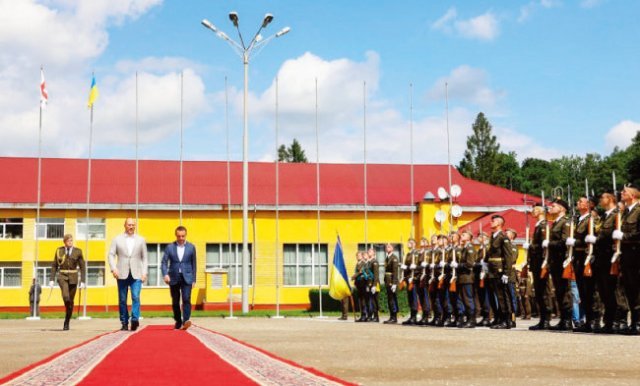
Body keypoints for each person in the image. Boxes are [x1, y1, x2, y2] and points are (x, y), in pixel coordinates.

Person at [108, 218, 148, 331]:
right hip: (121, 273)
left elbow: (145, 258)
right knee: (122, 299)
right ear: (124, 225)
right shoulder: (117, 239)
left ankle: (134, 319)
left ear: (135, 226)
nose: (131, 227)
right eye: (129, 225)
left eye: (133, 225)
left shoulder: (141, 240)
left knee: (136, 296)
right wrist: (113, 268)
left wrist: (144, 273)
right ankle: (124, 322)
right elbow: (111, 255)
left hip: (137, 274)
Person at [612, 183, 640, 335]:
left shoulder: (638, 211)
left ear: (633, 195)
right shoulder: (626, 213)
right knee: (630, 290)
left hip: (636, 256)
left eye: (624, 191)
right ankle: (634, 322)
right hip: (626, 257)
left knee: (637, 290)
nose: (621, 193)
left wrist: (624, 236)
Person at [570, 196, 599, 332]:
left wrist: (576, 243)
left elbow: (592, 240)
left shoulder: (591, 220)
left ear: (588, 205)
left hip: (586, 257)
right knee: (582, 291)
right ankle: (587, 320)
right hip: (578, 258)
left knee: (589, 290)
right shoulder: (577, 220)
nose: (578, 203)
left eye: (580, 201)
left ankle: (593, 320)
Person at [543, 198, 573, 331]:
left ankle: (567, 320)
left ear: (562, 209)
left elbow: (565, 241)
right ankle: (563, 318)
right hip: (554, 261)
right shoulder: (554, 223)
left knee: (564, 290)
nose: (550, 208)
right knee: (559, 291)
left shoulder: (564, 223)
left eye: (553, 206)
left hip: (561, 260)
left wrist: (549, 244)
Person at [593, 192, 621, 333]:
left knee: (612, 290)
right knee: (604, 291)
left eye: (602, 197)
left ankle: (615, 321)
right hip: (600, 259)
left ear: (610, 199)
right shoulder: (604, 216)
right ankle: (608, 322)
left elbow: (613, 235)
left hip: (610, 257)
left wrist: (597, 240)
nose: (600, 199)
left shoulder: (617, 214)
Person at [162, 225, 197, 330]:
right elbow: (164, 262)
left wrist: (194, 279)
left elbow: (194, 264)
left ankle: (186, 320)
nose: (181, 238)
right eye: (179, 236)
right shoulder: (170, 247)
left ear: (185, 235)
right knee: (175, 300)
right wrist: (165, 274)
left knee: (186, 298)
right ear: (176, 236)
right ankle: (178, 321)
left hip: (187, 277)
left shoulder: (191, 247)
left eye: (183, 236)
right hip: (173, 277)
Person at [50, 234, 85, 331]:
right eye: (68, 241)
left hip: (73, 277)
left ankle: (67, 321)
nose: (70, 242)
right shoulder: (59, 251)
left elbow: (82, 267)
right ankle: (68, 308)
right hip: (62, 276)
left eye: (71, 240)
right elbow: (54, 266)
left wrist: (83, 281)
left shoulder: (78, 251)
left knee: (71, 301)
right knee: (66, 297)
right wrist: (51, 279)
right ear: (64, 242)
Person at [527, 206, 553, 330]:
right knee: (538, 291)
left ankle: (546, 318)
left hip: (541, 261)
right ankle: (543, 319)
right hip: (536, 262)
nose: (533, 211)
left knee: (544, 291)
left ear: (542, 211)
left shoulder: (543, 225)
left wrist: (532, 247)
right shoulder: (538, 225)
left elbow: (544, 247)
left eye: (536, 209)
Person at [487, 214, 513, 329]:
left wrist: (506, 273)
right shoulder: (493, 236)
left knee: (502, 296)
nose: (491, 222)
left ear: (499, 223)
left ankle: (506, 320)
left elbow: (508, 257)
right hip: (492, 269)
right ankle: (499, 318)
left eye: (493, 221)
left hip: (499, 269)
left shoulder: (503, 237)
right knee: (496, 295)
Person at [457, 230, 476, 328]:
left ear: (469, 237)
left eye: (464, 235)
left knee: (468, 299)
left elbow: (470, 264)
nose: (461, 236)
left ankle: (471, 320)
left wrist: (458, 265)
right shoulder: (464, 248)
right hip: (462, 278)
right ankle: (468, 319)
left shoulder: (469, 248)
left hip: (467, 277)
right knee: (463, 299)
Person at [401, 238, 419, 325]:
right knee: (410, 298)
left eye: (411, 243)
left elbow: (417, 266)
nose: (409, 244)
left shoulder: (416, 253)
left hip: (413, 278)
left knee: (414, 297)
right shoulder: (408, 254)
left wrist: (411, 269)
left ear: (414, 244)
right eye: (408, 242)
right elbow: (407, 266)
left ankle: (414, 316)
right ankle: (412, 315)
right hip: (408, 278)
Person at [383, 243, 399, 324]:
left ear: (392, 248)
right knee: (390, 299)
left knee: (392, 299)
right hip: (388, 281)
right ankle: (391, 316)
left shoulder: (394, 258)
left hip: (392, 281)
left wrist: (394, 283)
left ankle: (394, 317)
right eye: (386, 247)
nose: (387, 248)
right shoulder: (387, 258)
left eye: (389, 246)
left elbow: (395, 271)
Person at [352, 252, 369, 322]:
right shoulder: (357, 264)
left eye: (359, 255)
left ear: (362, 256)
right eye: (357, 256)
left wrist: (352, 277)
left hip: (363, 284)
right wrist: (355, 283)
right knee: (360, 300)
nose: (357, 257)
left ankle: (365, 315)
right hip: (359, 284)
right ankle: (362, 315)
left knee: (363, 301)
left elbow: (360, 272)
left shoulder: (364, 264)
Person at [366, 247, 380, 322]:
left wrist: (374, 285)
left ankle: (376, 316)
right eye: (368, 251)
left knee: (375, 301)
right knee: (370, 301)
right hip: (370, 283)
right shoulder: (369, 262)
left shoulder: (375, 262)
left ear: (374, 253)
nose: (368, 252)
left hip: (375, 284)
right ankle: (371, 316)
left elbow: (376, 274)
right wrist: (368, 285)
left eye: (370, 251)